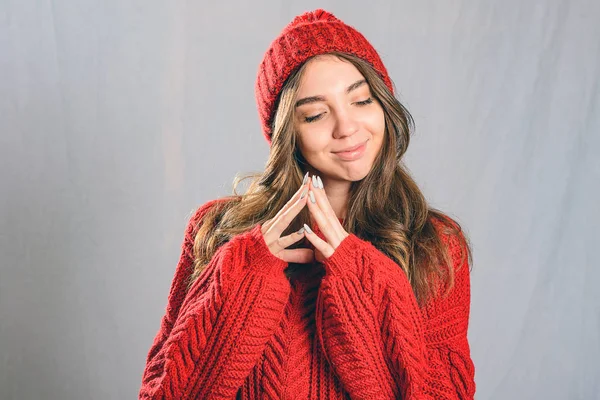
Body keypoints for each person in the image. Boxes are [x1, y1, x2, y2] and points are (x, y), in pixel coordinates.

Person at [138, 8, 476, 400]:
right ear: (286, 134)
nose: (347, 127)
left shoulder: (432, 243)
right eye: (316, 114)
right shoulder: (217, 231)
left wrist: (358, 278)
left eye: (362, 101)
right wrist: (247, 272)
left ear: (383, 105)